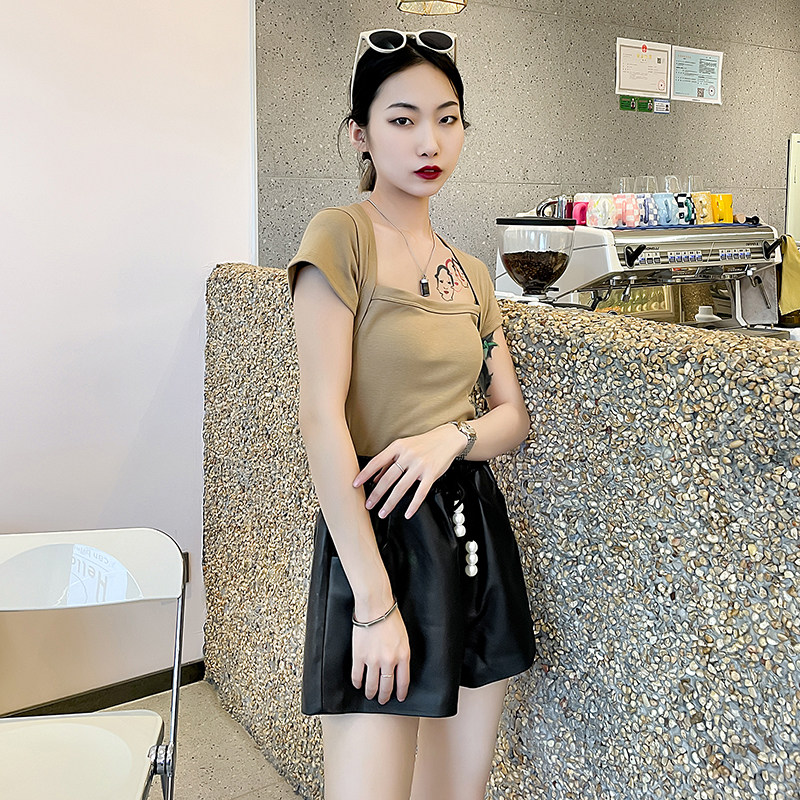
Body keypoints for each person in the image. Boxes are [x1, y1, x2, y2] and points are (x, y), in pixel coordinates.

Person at [287, 29, 536, 800]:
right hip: (379, 536)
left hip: (471, 533)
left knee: (457, 793)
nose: (429, 141)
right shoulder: (341, 236)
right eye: (402, 119)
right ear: (359, 133)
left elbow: (511, 418)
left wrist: (448, 440)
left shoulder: (471, 273)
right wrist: (373, 605)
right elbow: (321, 418)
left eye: (447, 118)